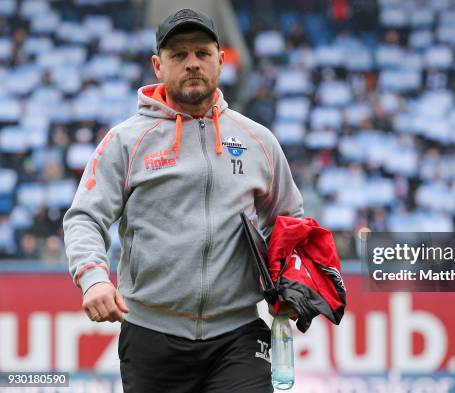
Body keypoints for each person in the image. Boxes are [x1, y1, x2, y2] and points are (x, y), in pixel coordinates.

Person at [63, 8, 303, 393]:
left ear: (221, 61)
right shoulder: (126, 141)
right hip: (151, 335)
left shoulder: (259, 141)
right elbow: (84, 218)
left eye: (202, 53)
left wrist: (292, 280)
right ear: (158, 66)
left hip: (238, 335)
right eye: (179, 55)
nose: (192, 63)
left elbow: (289, 222)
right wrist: (92, 279)